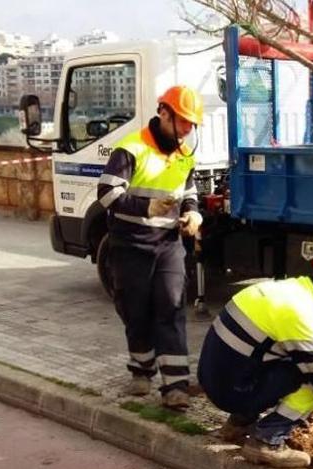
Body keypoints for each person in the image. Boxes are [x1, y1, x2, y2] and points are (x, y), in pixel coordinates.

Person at [197, 254, 313, 468]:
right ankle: (267, 441)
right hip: (230, 391)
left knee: (282, 354)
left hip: (215, 377)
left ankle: (239, 423)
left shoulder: (285, 289)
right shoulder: (303, 314)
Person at [97, 85, 204, 410]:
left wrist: (193, 212)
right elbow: (106, 195)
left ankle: (176, 387)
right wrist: (147, 207)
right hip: (131, 245)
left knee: (171, 309)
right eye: (184, 121)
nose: (188, 129)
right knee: (136, 310)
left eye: (192, 124)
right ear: (164, 114)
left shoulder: (185, 153)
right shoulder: (131, 148)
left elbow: (187, 190)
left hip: (169, 245)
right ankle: (141, 373)